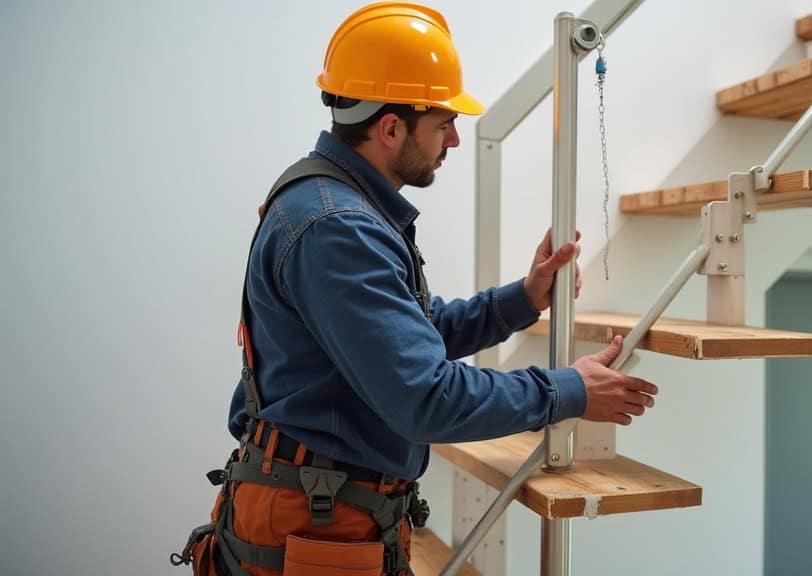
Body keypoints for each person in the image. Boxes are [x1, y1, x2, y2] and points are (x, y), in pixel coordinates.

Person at [172, 3, 658, 575]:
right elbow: (425, 398)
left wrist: (523, 298)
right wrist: (566, 390)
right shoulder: (337, 227)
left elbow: (412, 332)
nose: (454, 139)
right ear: (390, 127)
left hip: (328, 512)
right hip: (314, 526)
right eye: (443, 123)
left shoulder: (340, 207)